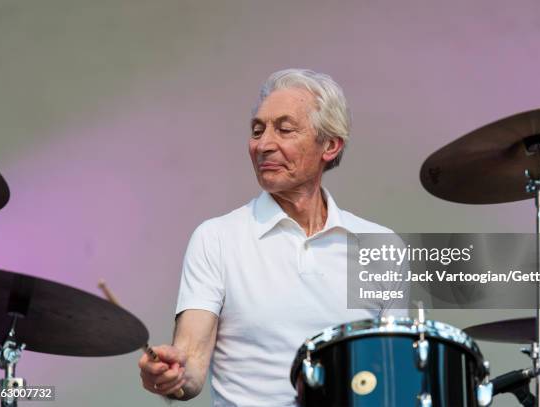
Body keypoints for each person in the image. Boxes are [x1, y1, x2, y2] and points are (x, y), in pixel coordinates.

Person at [138, 69, 407, 406]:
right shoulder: (216, 239)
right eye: (257, 130)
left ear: (330, 145)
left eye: (284, 129)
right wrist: (170, 374)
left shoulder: (379, 244)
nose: (263, 145)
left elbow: (395, 374)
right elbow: (190, 364)